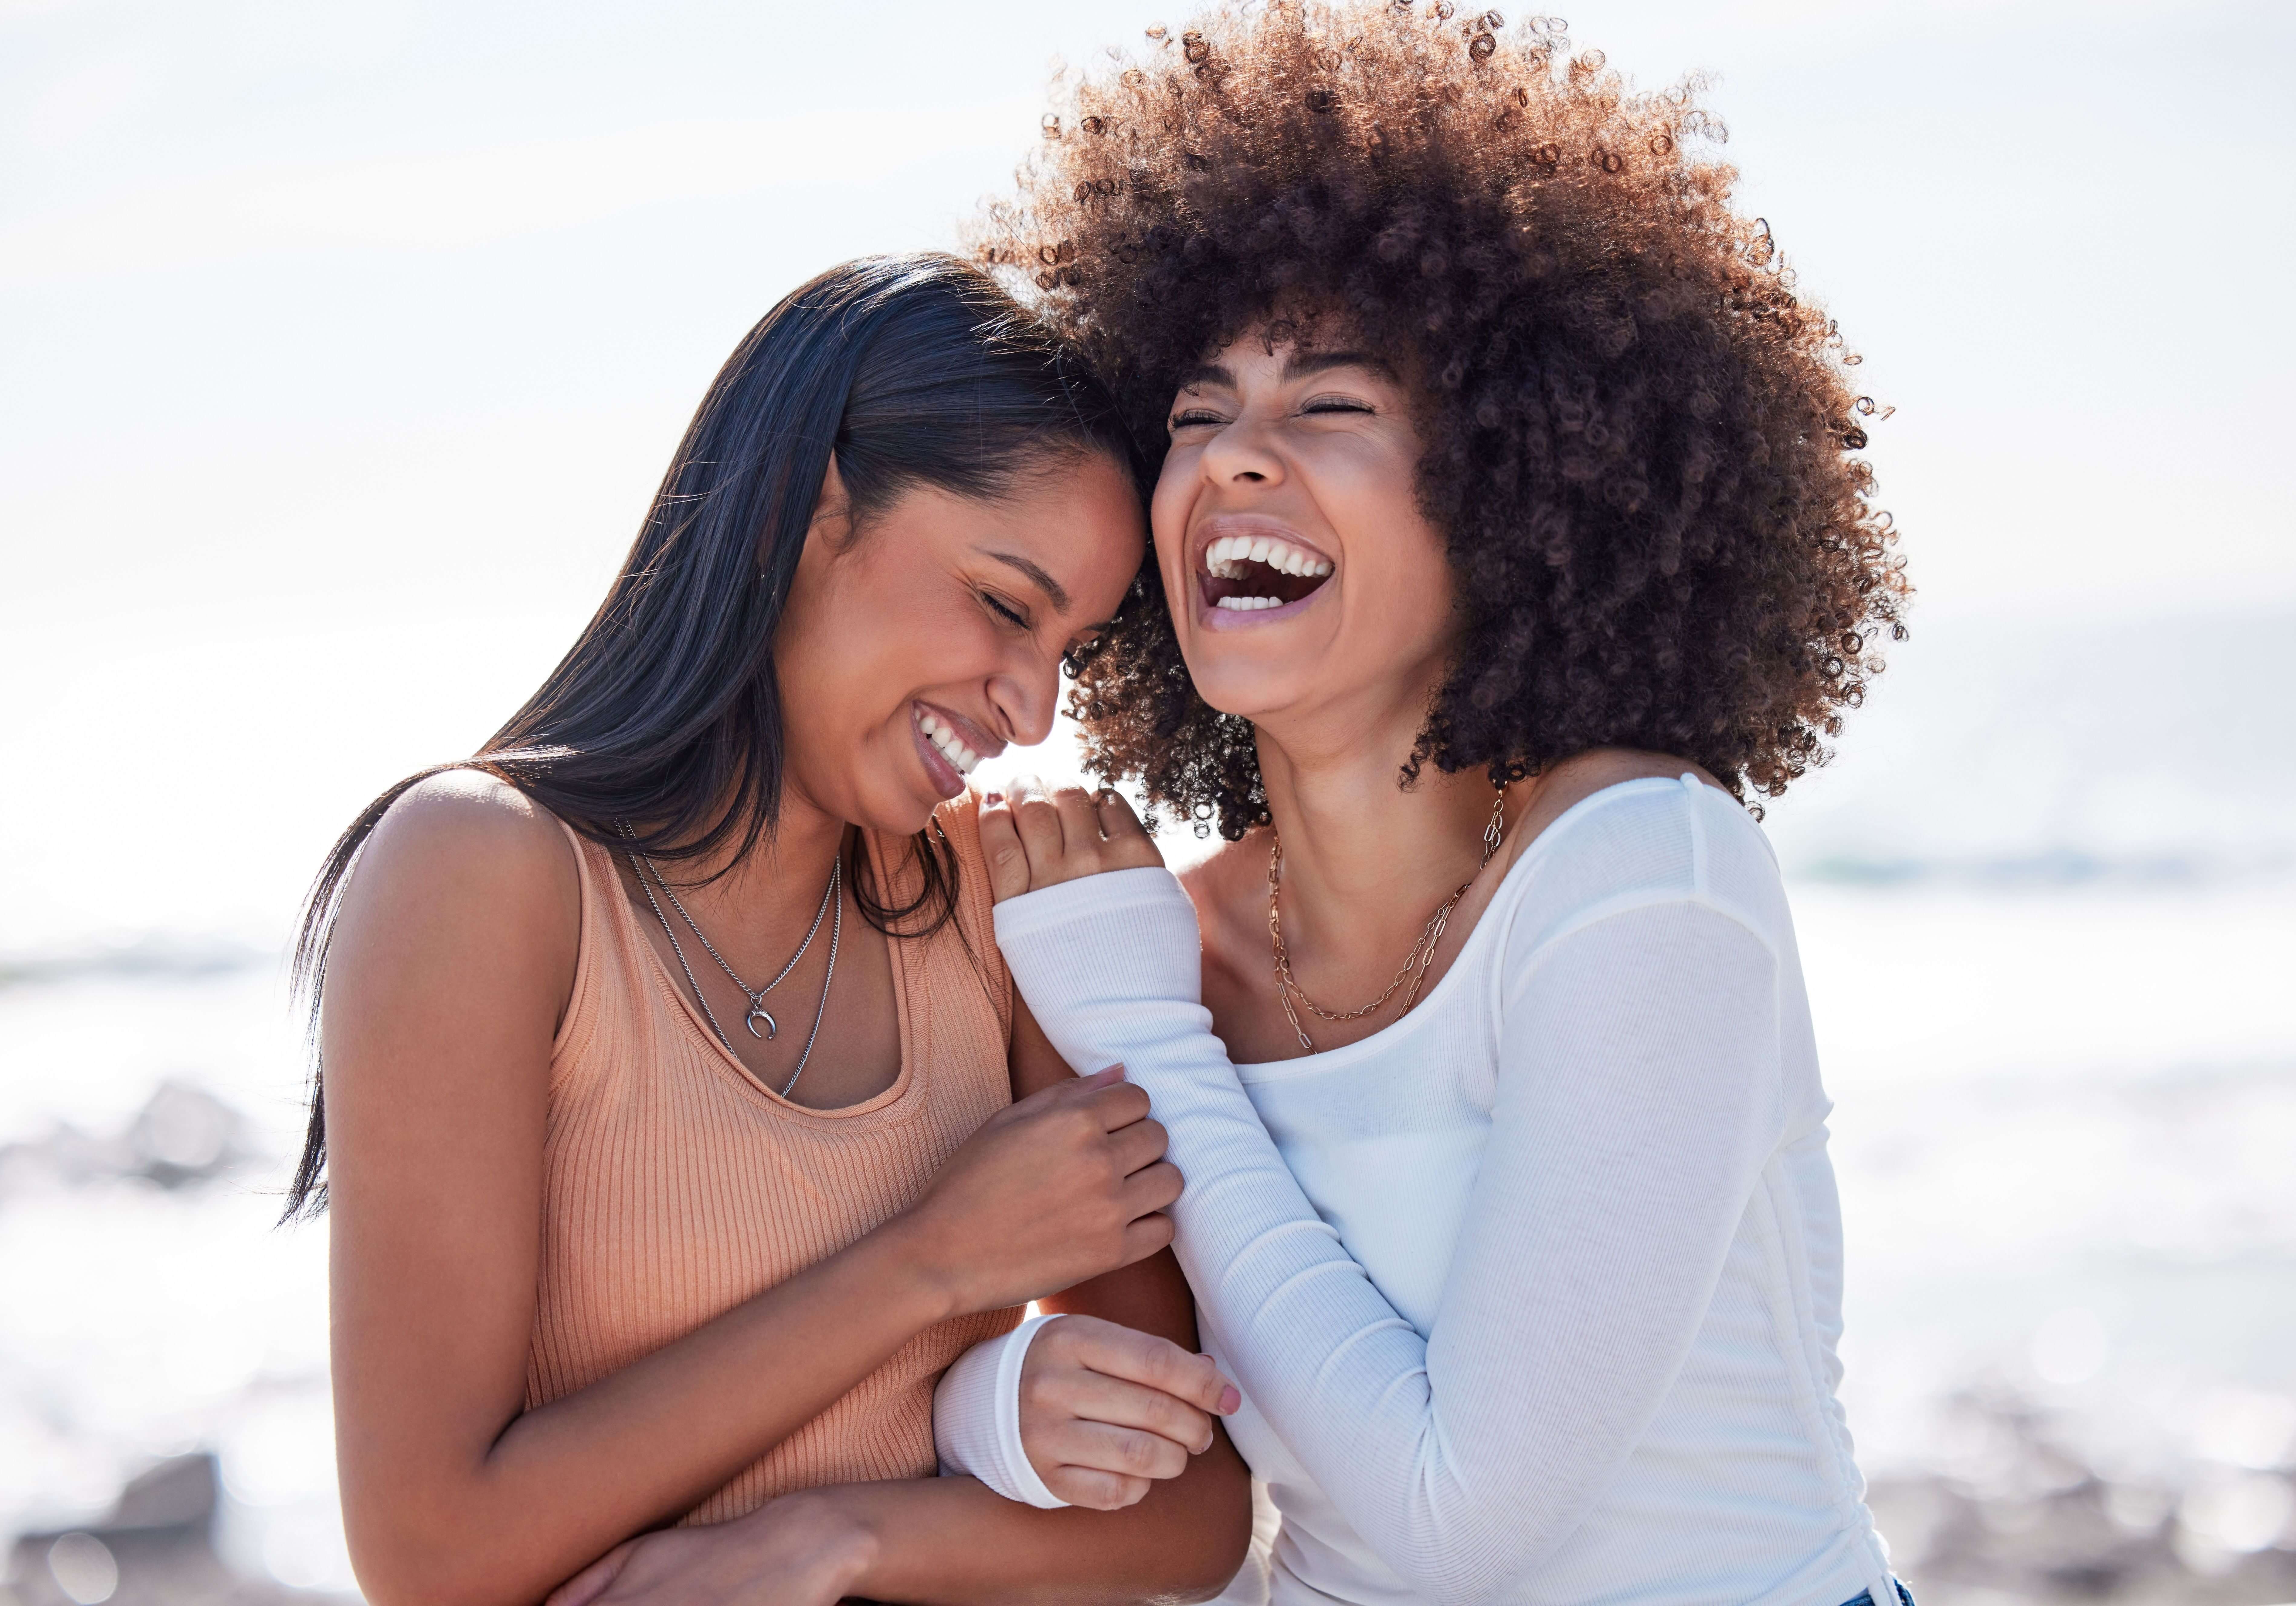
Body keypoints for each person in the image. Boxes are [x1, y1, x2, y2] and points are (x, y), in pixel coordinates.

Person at [937, 7, 1917, 1605]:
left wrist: (1149, 1036)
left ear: (1518, 488)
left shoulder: (1642, 874)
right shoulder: (1149, 940)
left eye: (1329, 406)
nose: (1234, 459)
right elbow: (1162, 1464)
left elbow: (1457, 1518)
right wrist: (986, 1407)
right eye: (1194, 413)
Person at [282, 254, 1252, 1606]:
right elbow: (430, 1553)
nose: (1033, 709)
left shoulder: (1001, 904)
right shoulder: (483, 873)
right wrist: (925, 1264)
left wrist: (833, 1539)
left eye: (1070, 650)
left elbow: (1196, 1503)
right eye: (1003, 605)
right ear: (807, 510)